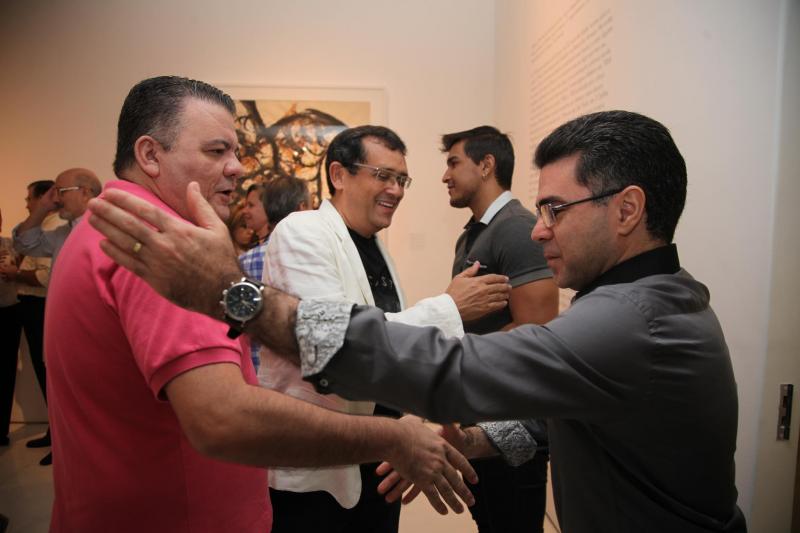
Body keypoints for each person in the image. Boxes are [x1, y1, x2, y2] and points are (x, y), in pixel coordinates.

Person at [88, 110, 748, 533]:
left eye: (556, 209)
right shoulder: (651, 301)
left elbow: (449, 368)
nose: (539, 230)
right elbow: (563, 411)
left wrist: (236, 295)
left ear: (627, 209)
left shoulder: (631, 320)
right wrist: (479, 441)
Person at [45, 75, 476, 533]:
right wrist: (393, 438)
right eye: (216, 151)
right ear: (151, 155)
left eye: (235, 151)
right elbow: (223, 417)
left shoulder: (110, 227)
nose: (237, 167)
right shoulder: (160, 245)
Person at [260, 125, 513, 533]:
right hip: (318, 469)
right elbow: (336, 340)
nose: (395, 190)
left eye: (402, 180)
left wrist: (414, 421)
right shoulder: (302, 231)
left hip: (379, 460)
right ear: (339, 175)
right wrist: (449, 307)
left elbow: (387, 346)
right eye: (383, 175)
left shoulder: (375, 247)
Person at [441, 125, 559, 532]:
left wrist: (455, 355)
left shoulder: (515, 228)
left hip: (514, 424)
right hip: (482, 414)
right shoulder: (473, 234)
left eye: (454, 163)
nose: (445, 175)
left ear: (486, 165)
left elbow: (537, 330)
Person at [13, 172, 100, 466]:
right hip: (64, 333)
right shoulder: (63, 233)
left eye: (61, 191)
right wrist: (42, 208)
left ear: (85, 192)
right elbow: (25, 243)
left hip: (92, 335)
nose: (56, 198)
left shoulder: (106, 227)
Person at [6, 181, 62, 462]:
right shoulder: (44, 227)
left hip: (40, 306)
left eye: (30, 198)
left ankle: (60, 440)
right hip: (31, 307)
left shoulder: (54, 228)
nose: (27, 204)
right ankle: (55, 433)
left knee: (49, 373)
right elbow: (22, 242)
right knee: (43, 372)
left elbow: (45, 277)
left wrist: (15, 273)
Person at [240, 176, 311, 374]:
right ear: (302, 208)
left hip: (258, 372)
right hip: (304, 372)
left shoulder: (244, 261)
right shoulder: (313, 257)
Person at [0, 207, 21, 447]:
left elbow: (20, 270)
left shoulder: (9, 244)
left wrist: (15, 271)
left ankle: (1, 430)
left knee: (6, 371)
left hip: (9, 312)